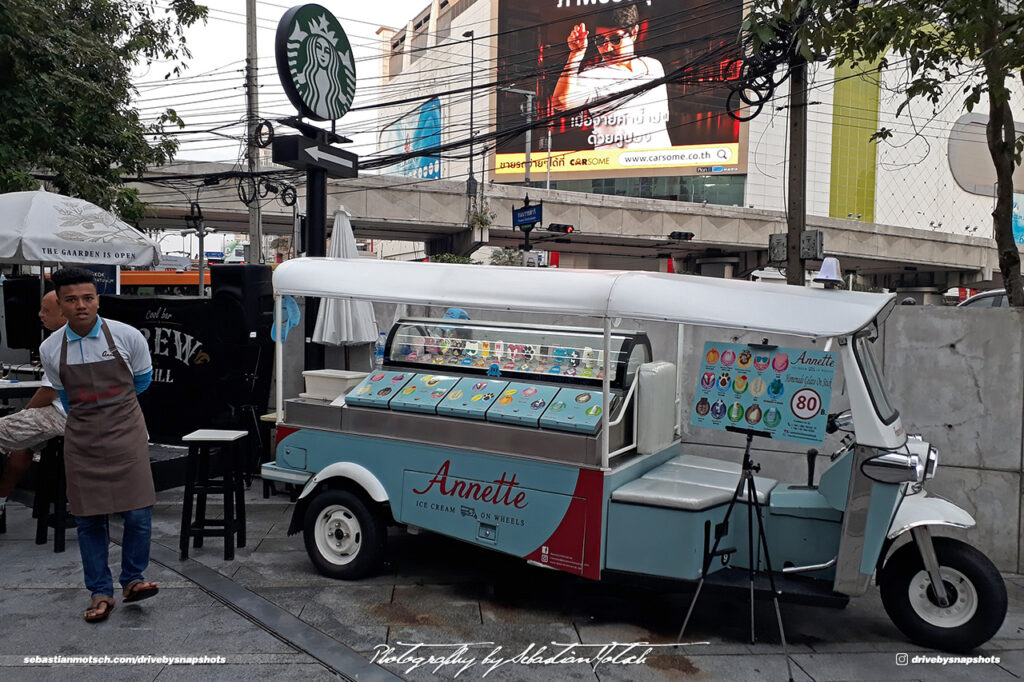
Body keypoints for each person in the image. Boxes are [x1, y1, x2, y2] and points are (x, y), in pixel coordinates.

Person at [38, 267, 156, 623]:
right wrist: (92, 418)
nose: (81, 306)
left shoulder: (126, 336)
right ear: (60, 303)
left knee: (138, 513)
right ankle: (100, 591)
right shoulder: (49, 349)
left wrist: (113, 411)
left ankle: (133, 580)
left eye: (88, 298)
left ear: (97, 299)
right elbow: (64, 395)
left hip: (127, 433)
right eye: (71, 300)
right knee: (88, 519)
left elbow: (143, 380)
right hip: (82, 438)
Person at [551, 5, 671, 150]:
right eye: (600, 41)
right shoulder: (594, 76)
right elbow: (560, 102)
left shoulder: (653, 67)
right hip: (616, 168)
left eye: (615, 39)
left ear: (633, 33)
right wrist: (576, 55)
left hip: (660, 166)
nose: (607, 48)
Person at [0, 291, 67, 532]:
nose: (40, 314)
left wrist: (22, 416)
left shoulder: (59, 342)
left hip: (65, 417)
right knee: (20, 448)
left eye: (45, 310)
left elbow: (49, 392)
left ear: (64, 311)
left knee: (6, 432)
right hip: (73, 417)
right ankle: (0, 503)